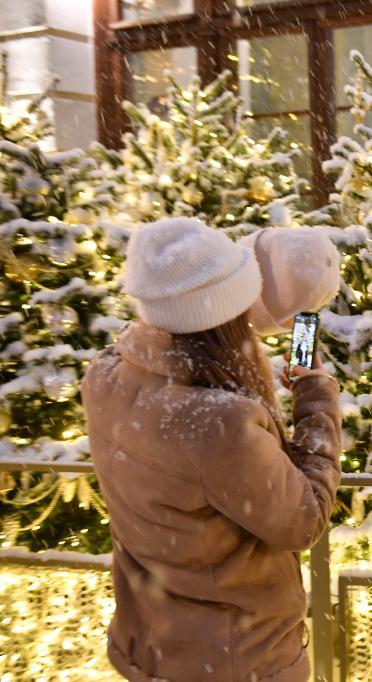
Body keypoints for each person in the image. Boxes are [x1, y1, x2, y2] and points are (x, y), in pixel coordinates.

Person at [81, 218, 342, 682]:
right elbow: (304, 519)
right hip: (236, 660)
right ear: (225, 312)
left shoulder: (104, 376)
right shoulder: (219, 424)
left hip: (152, 644)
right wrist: (316, 395)